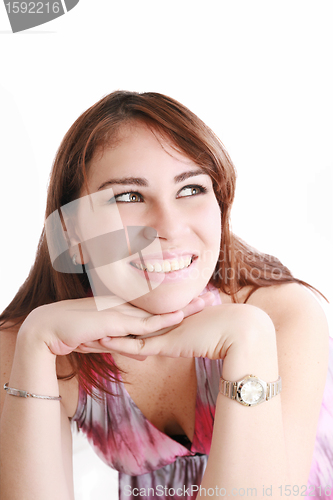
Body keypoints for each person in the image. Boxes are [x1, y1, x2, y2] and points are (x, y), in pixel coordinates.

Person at [0, 91, 332, 500]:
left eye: (191, 189)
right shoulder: (39, 344)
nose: (170, 226)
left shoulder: (282, 315)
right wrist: (35, 343)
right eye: (128, 196)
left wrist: (249, 341)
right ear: (72, 235)